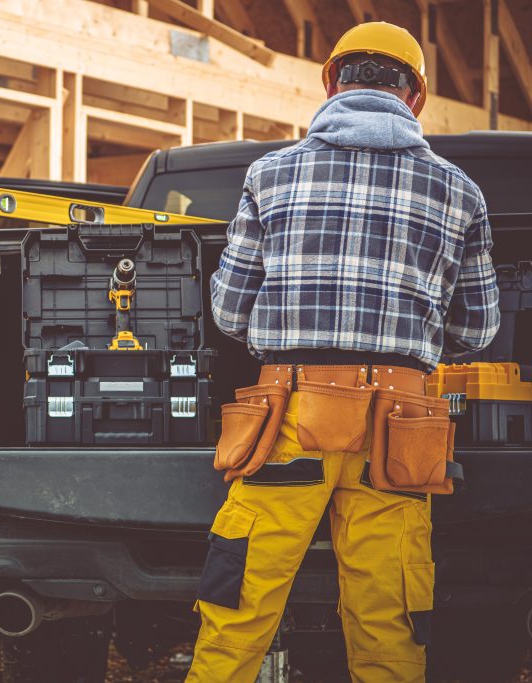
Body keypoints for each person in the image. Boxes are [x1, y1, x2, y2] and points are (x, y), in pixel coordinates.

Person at [187, 21, 500, 683]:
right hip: (400, 432)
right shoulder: (460, 192)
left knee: (237, 604)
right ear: (415, 96)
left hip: (289, 423)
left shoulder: (270, 175)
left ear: (331, 81)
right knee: (391, 617)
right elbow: (479, 330)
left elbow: (228, 311)